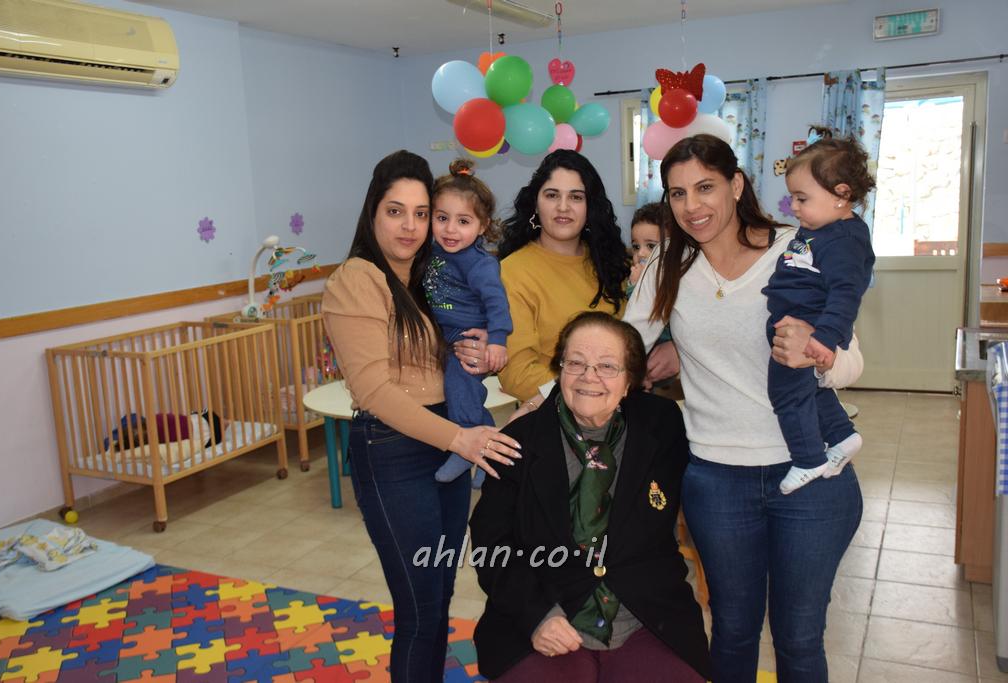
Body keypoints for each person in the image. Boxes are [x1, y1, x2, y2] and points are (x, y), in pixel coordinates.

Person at [623, 134, 864, 683]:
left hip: (811, 473)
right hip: (716, 479)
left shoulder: (797, 246)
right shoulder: (666, 266)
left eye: (705, 187)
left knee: (799, 637)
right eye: (677, 194)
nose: (692, 206)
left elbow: (852, 361)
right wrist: (547, 398)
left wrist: (817, 356)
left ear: (736, 185)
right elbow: (616, 349)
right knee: (732, 630)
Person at [320, 150, 521, 683]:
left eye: (420, 213)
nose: (410, 226)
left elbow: (446, 351)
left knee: (439, 595)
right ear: (372, 212)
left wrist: (477, 347)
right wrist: (460, 439)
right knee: (419, 610)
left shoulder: (427, 275)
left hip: (441, 440)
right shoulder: (358, 278)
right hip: (394, 448)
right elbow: (373, 391)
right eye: (395, 211)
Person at [469, 311, 711, 682]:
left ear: (630, 380)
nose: (589, 377)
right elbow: (490, 542)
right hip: (545, 610)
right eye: (576, 363)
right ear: (560, 370)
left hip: (644, 615)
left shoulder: (662, 425)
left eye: (607, 366)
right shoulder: (520, 441)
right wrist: (537, 616)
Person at [764, 127, 876, 493]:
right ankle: (842, 435)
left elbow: (846, 294)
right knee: (810, 392)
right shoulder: (821, 228)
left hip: (810, 327)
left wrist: (824, 339)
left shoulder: (845, 240)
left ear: (841, 196)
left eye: (802, 198)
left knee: (786, 395)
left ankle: (808, 459)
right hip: (799, 321)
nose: (794, 207)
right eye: (792, 198)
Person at [493, 149, 630, 404]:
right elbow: (517, 375)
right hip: (555, 411)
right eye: (552, 195)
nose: (563, 207)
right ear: (536, 204)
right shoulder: (511, 272)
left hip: (620, 403)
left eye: (576, 197)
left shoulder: (610, 263)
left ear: (590, 207)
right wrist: (594, 390)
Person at [425, 158, 513, 487]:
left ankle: (466, 447)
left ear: (482, 225)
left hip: (470, 337)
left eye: (463, 221)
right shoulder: (431, 253)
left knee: (458, 386)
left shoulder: (479, 264)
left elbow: (497, 303)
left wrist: (497, 341)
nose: (450, 229)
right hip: (442, 335)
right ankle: (488, 444)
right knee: (459, 394)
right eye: (442, 218)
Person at [628, 202, 668, 296]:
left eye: (651, 246)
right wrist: (634, 284)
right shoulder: (636, 276)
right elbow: (633, 304)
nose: (640, 253)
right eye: (636, 247)